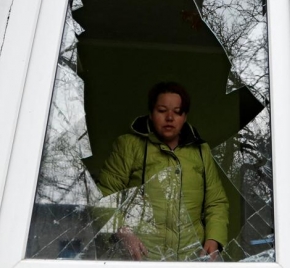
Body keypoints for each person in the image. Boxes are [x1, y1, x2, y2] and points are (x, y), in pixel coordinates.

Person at [97, 82, 229, 261]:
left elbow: (216, 202)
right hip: (141, 256)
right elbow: (104, 195)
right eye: (162, 110)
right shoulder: (129, 145)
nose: (169, 117)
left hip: (190, 258)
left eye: (177, 111)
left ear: (185, 117)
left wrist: (214, 237)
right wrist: (122, 232)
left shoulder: (200, 151)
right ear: (151, 114)